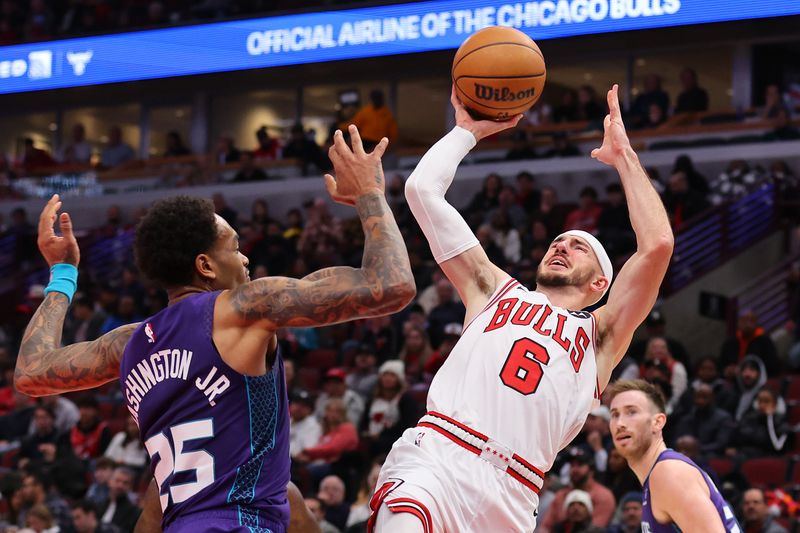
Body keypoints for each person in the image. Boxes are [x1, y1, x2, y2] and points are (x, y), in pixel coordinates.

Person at [14, 124, 415, 532]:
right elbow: (390, 286)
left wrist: (62, 275)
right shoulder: (243, 307)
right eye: (235, 248)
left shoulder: (128, 343)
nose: (245, 260)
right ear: (205, 266)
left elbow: (31, 372)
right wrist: (369, 194)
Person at [370, 83, 673, 532]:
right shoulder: (495, 289)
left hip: (515, 490)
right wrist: (465, 132)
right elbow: (422, 191)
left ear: (600, 283)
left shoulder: (601, 336)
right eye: (558, 241)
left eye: (579, 247)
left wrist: (624, 156)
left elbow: (658, 245)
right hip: (439, 456)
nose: (563, 246)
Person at [608, 379, 742, 531]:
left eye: (631, 412)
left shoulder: (668, 473)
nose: (620, 423)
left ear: (658, 422)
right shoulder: (657, 475)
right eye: (614, 414)